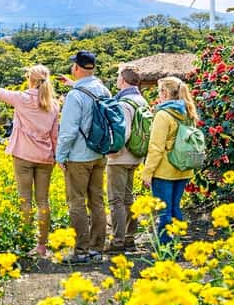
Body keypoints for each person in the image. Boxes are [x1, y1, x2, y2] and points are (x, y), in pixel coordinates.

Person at [0, 65, 59, 257]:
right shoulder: (53, 104)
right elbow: (54, 136)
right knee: (43, 201)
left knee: (25, 200)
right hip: (45, 158)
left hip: (23, 155)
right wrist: (55, 157)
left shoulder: (22, 98)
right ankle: (42, 246)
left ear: (31, 79)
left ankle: (26, 241)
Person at [56, 50, 111, 264]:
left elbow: (68, 131)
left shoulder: (75, 95)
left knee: (77, 202)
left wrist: (60, 156)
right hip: (99, 153)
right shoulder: (103, 90)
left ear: (77, 68)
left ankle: (81, 251)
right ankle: (97, 249)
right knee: (97, 200)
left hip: (79, 156)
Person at [141, 76, 199, 244]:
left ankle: (166, 248)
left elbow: (156, 147)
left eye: (159, 91)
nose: (158, 95)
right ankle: (176, 244)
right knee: (175, 208)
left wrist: (147, 172)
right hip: (183, 168)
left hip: (164, 171)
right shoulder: (188, 112)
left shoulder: (163, 114)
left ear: (165, 93)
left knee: (164, 211)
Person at [105, 67, 148, 254]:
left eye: (117, 76)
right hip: (136, 156)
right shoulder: (141, 100)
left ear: (123, 80)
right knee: (129, 199)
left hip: (120, 157)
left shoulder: (124, 102)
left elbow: (124, 132)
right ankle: (130, 238)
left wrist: (111, 151)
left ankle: (118, 241)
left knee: (116, 200)